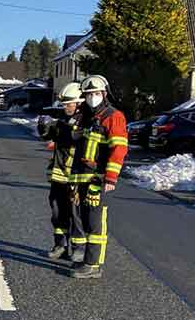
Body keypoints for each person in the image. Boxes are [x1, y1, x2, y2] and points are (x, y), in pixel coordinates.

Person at [68, 74, 128, 280]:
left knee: (95, 223)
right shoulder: (87, 116)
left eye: (96, 93)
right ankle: (86, 259)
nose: (92, 97)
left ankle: (93, 264)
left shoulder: (113, 116)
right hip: (81, 177)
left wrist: (110, 178)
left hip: (97, 178)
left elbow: (119, 149)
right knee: (83, 220)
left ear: (104, 94)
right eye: (88, 94)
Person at [37, 82, 85, 261]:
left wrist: (59, 126)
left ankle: (79, 247)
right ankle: (61, 245)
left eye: (68, 104)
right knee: (58, 211)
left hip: (77, 176)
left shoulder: (85, 120)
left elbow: (74, 135)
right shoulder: (65, 119)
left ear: (79, 103)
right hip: (59, 174)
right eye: (64, 105)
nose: (65, 108)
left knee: (76, 213)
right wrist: (44, 127)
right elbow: (50, 135)